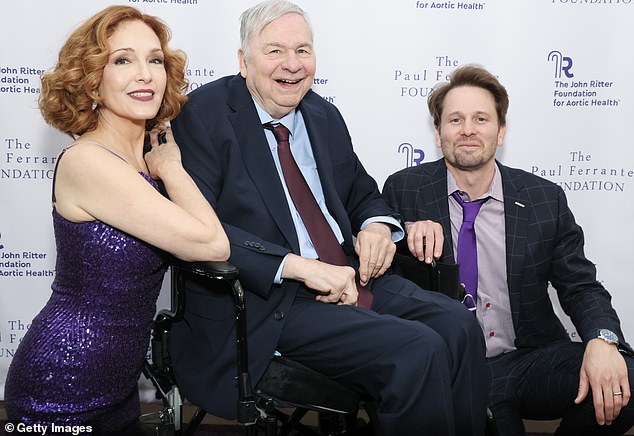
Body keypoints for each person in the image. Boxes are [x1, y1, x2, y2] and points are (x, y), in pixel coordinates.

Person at [167, 1, 488, 435]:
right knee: (418, 349)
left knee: (459, 325)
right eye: (275, 50)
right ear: (243, 61)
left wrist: (376, 225)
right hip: (271, 298)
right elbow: (197, 228)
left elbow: (362, 193)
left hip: (351, 275)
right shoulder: (201, 117)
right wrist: (297, 268)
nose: (292, 65)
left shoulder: (322, 114)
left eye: (303, 50)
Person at [3, 6, 229, 435]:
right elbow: (213, 245)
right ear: (92, 79)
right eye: (122, 60)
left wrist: (162, 163)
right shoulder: (88, 161)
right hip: (62, 388)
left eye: (155, 59)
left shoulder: (141, 162)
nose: (145, 73)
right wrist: (173, 168)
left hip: (119, 391)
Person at [382, 64, 634, 435]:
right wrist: (401, 235)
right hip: (448, 366)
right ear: (438, 133)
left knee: (624, 377)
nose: (468, 129)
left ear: (500, 132)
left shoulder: (544, 199)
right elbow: (381, 280)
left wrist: (602, 340)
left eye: (481, 119)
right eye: (455, 120)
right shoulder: (404, 191)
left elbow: (580, 286)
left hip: (526, 361)